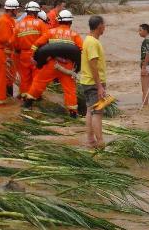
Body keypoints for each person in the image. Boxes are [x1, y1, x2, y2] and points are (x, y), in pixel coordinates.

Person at [22, 9, 82, 117]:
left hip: (51, 64)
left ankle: (28, 104)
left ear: (59, 21)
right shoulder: (74, 35)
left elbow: (36, 45)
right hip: (67, 68)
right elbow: (81, 51)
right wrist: (77, 67)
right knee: (70, 90)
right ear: (70, 22)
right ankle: (73, 113)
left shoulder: (51, 32)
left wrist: (35, 58)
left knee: (38, 82)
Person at [80, 15, 108, 148]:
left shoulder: (89, 40)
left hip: (87, 81)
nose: (105, 27)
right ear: (99, 26)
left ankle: (91, 140)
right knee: (97, 112)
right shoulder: (92, 42)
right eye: (104, 25)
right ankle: (100, 141)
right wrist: (100, 86)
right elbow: (93, 64)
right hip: (93, 83)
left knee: (90, 111)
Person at [14, 1, 48, 100]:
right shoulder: (40, 23)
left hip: (23, 55)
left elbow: (14, 42)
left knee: (24, 78)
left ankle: (25, 98)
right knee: (36, 77)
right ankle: (35, 97)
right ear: (35, 13)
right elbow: (47, 38)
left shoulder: (18, 25)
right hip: (37, 55)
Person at [0, 0, 20, 99]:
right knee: (7, 79)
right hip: (6, 54)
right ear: (12, 10)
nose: (17, 11)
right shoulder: (3, 21)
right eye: (16, 9)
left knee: (11, 78)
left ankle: (9, 100)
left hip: (11, 54)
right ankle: (6, 99)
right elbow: (4, 39)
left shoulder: (11, 21)